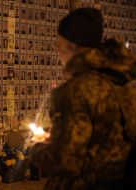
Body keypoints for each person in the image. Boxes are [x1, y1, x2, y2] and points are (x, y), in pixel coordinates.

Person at [30, 8, 136, 190]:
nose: (57, 49)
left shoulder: (75, 90)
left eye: (60, 42)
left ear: (72, 45)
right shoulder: (125, 82)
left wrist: (37, 147)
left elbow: (66, 161)